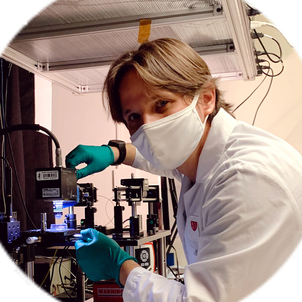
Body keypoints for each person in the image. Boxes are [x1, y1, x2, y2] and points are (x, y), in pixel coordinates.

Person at [65, 38, 302, 301]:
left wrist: (121, 267)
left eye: (161, 104)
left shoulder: (246, 179)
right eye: (133, 117)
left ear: (206, 98)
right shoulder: (201, 155)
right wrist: (117, 153)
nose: (149, 127)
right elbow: (163, 158)